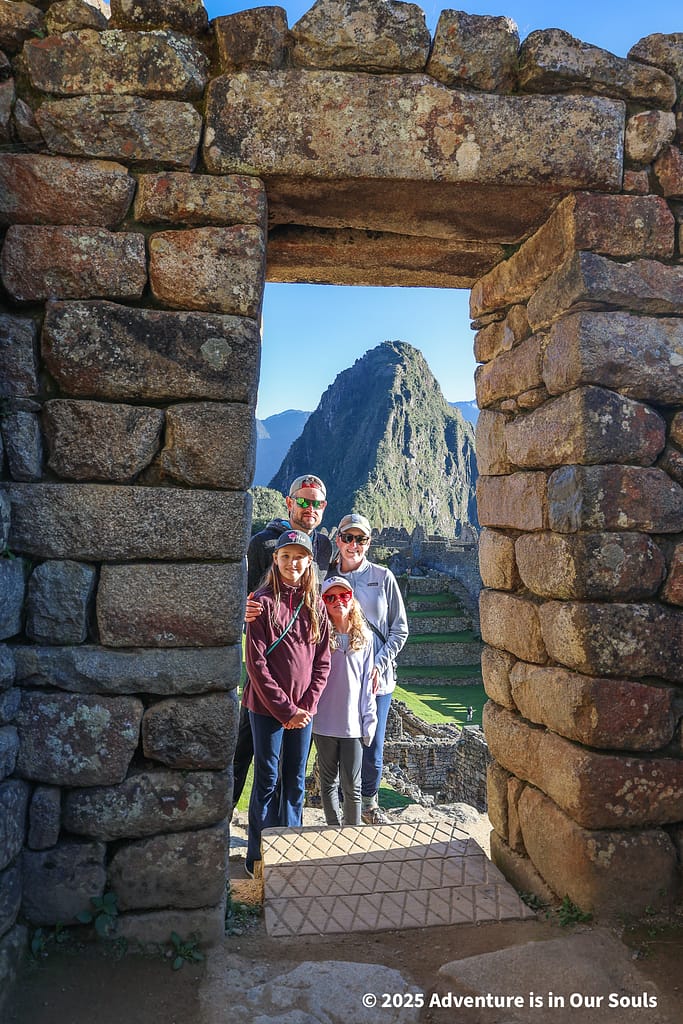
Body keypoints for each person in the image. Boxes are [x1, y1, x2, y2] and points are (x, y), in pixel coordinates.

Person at [232, 474, 332, 814]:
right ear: (289, 502)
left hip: (301, 675)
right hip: (265, 672)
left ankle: (284, 837)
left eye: (316, 503)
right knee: (246, 756)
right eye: (303, 501)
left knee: (292, 774)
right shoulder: (262, 543)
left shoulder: (323, 546)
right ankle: (224, 828)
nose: (310, 508)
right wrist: (241, 608)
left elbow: (321, 597)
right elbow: (244, 592)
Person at [242, 529, 331, 876]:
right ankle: (258, 855)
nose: (293, 563)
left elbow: (323, 662)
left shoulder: (315, 606)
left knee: (294, 779)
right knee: (266, 778)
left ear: (310, 562)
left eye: (300, 557)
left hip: (303, 712)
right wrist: (286, 709)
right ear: (275, 560)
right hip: (266, 709)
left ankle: (289, 847)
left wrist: (305, 707)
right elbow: (257, 664)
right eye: (286, 556)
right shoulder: (262, 603)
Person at [330, 513, 409, 825]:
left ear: (368, 542)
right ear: (338, 540)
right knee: (335, 744)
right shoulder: (326, 577)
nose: (353, 544)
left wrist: (378, 664)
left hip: (377, 680)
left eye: (360, 539)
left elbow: (399, 630)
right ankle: (336, 810)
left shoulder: (382, 577)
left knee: (372, 745)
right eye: (348, 538)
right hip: (339, 679)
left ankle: (369, 805)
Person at [313, 576, 377, 827]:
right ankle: (332, 829)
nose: (338, 601)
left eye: (343, 596)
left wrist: (368, 720)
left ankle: (352, 833)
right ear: (324, 603)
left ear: (352, 601)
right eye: (331, 598)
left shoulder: (365, 638)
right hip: (324, 721)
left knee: (353, 784)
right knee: (328, 781)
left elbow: (367, 686)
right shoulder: (318, 636)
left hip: (352, 723)